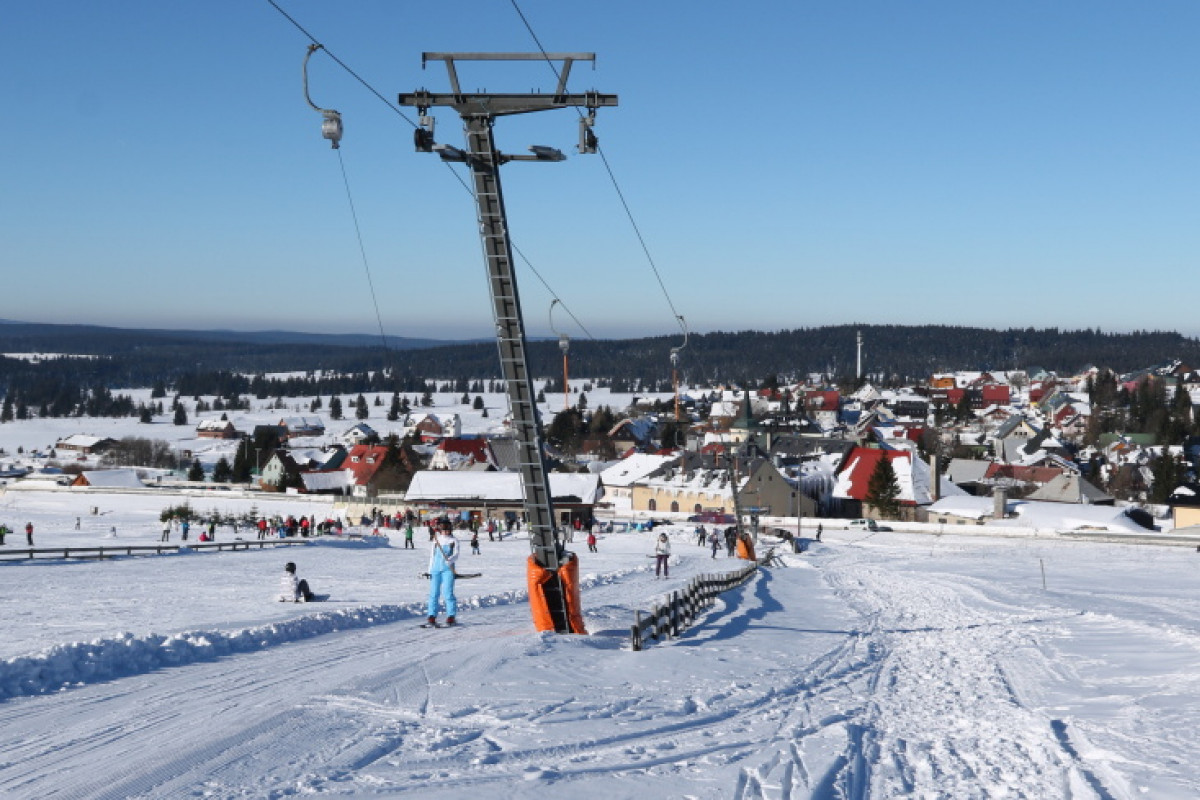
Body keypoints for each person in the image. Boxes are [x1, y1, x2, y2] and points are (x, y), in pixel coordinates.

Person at [427, 522, 460, 626]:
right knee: (434, 593)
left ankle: (451, 616)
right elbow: (432, 556)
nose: (445, 532)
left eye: (447, 530)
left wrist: (450, 559)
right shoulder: (436, 540)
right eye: (443, 530)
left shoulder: (453, 540)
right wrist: (429, 570)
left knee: (448, 593)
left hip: (448, 570)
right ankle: (431, 615)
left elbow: (456, 554)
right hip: (436, 569)